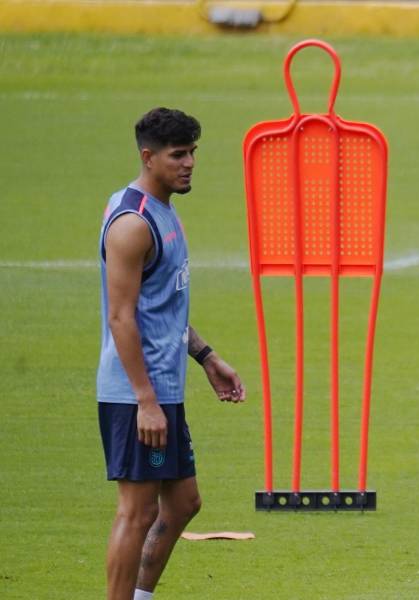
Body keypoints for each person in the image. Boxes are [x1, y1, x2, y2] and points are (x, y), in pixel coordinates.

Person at [98, 107, 245, 599]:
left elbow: (163, 309)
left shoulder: (163, 211)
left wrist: (206, 357)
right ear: (148, 156)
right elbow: (122, 317)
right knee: (136, 512)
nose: (189, 164)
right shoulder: (133, 224)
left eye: (193, 153)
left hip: (164, 388)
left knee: (182, 502)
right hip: (136, 393)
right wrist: (144, 399)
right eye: (178, 155)